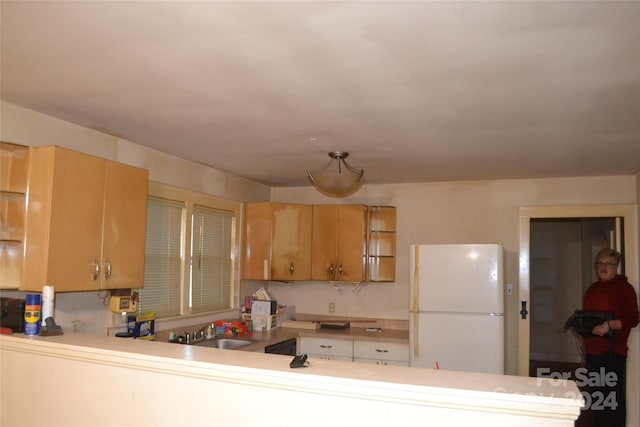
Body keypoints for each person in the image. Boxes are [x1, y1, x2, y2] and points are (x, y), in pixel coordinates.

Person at [582, 248, 639, 427]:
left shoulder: (624, 288)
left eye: (608, 264)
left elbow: (633, 319)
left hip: (612, 353)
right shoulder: (593, 288)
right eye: (600, 263)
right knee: (599, 398)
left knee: (612, 400)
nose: (603, 267)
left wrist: (608, 325)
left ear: (616, 267)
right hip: (593, 352)